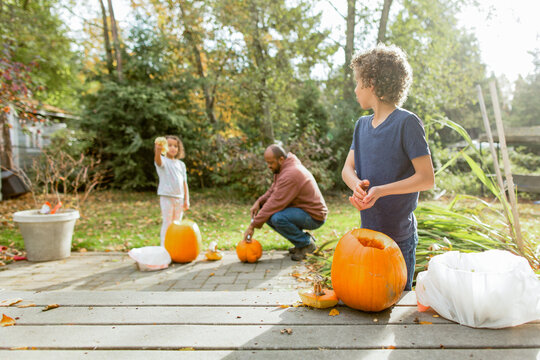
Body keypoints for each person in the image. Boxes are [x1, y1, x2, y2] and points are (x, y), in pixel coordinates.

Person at [342, 44, 435, 290]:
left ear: (371, 83)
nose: (355, 88)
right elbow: (347, 169)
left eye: (358, 81)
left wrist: (381, 190)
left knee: (395, 302)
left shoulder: (407, 123)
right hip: (368, 234)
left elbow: (426, 179)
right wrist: (358, 188)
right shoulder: (361, 125)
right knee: (371, 298)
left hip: (399, 239)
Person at [243, 145, 328, 261]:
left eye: (271, 163)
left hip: (314, 216)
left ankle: (306, 244)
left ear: (281, 159)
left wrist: (252, 226)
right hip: (302, 210)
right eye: (267, 163)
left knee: (278, 218)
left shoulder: (290, 174)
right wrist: (259, 202)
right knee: (265, 210)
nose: (268, 166)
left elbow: (274, 203)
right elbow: (273, 190)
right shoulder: (283, 168)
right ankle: (301, 243)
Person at [154, 135, 190, 246]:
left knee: (177, 224)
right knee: (167, 222)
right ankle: (164, 246)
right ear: (165, 147)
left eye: (175, 146)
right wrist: (158, 151)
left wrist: (186, 199)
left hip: (179, 198)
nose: (173, 148)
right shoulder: (163, 161)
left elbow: (185, 183)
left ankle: (176, 246)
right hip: (167, 197)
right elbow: (158, 160)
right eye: (170, 145)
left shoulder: (181, 165)